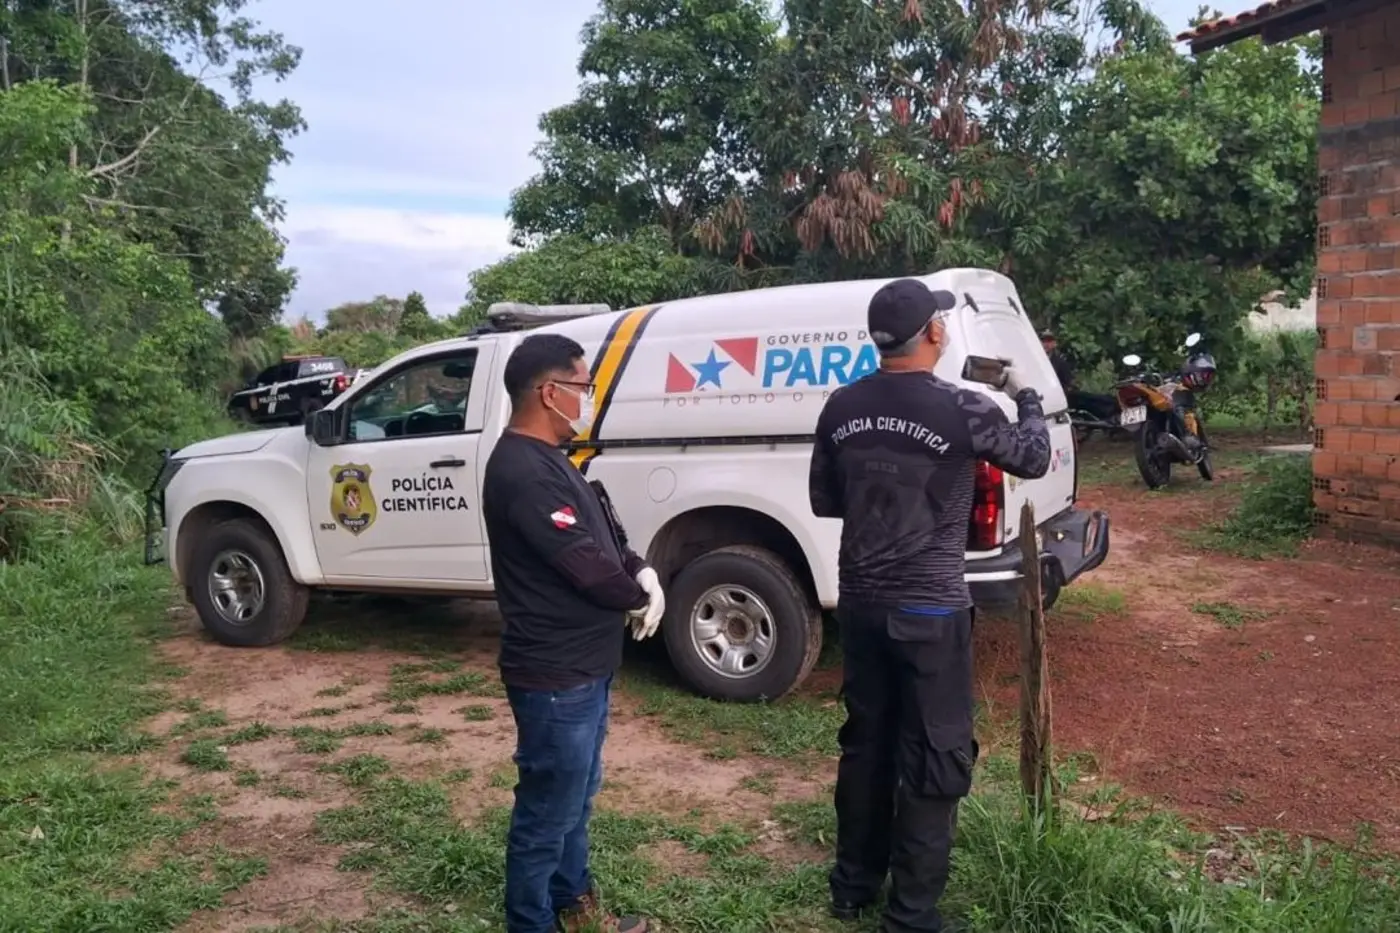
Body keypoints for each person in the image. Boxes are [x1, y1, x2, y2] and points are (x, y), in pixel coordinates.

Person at [808, 279, 1051, 933]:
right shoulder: (964, 406)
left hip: (861, 604)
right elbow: (1033, 457)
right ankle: (912, 914)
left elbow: (824, 499)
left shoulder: (841, 406)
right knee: (935, 754)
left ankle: (852, 887)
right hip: (930, 612)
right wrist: (1025, 395)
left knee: (867, 743)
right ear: (934, 334)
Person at [482, 332, 666, 933]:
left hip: (586, 667)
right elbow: (584, 565)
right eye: (583, 386)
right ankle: (531, 922)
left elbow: (603, 536)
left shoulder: (555, 459)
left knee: (576, 798)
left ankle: (574, 903)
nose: (588, 398)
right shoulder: (522, 471)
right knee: (547, 813)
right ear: (549, 392)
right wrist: (638, 596)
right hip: (554, 675)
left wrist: (639, 566)